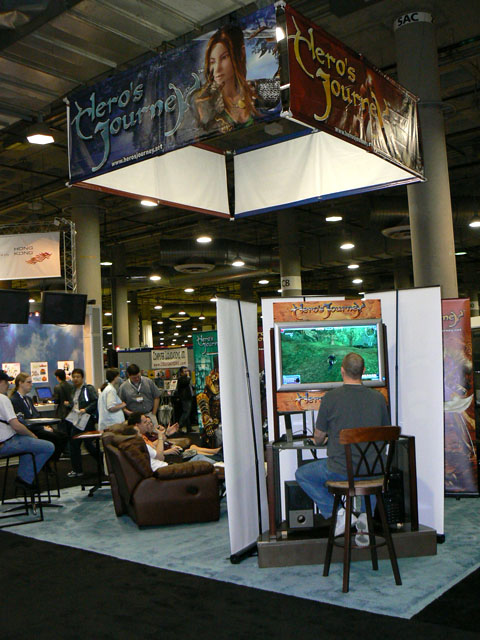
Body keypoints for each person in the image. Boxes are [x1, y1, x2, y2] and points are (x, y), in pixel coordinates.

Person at [295, 352, 390, 547]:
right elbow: (385, 435)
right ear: (364, 371)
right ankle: (365, 520)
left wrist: (320, 440)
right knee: (367, 473)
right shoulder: (379, 398)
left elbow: (319, 438)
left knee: (302, 474)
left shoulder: (330, 398)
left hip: (341, 470)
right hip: (374, 470)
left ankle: (339, 513)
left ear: (341, 371)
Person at [192, 24, 257, 134]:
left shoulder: (258, 91)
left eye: (224, 57)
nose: (217, 69)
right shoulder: (205, 101)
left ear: (240, 54)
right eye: (212, 62)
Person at [0, 370, 54, 489]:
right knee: (48, 447)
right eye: (7, 382)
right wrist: (31, 435)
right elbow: (16, 425)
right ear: (1, 382)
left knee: (28, 443)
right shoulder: (3, 399)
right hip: (6, 443)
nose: (8, 385)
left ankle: (24, 477)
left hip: (6, 441)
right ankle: (25, 479)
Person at [10, 372, 69, 465]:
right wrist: (42, 427)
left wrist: (45, 426)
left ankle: (47, 461)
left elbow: (36, 415)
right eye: (28, 382)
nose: (31, 385)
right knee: (56, 438)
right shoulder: (14, 400)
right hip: (29, 430)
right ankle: (45, 462)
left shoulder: (28, 399)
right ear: (20, 383)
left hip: (37, 427)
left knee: (63, 436)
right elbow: (23, 421)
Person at [65, 368, 101, 478]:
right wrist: (69, 405)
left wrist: (86, 409)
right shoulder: (73, 390)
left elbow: (95, 401)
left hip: (86, 419)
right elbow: (75, 404)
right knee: (78, 444)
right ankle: (78, 469)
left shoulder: (88, 389)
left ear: (82, 378)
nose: (75, 379)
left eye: (78, 377)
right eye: (74, 377)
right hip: (76, 419)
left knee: (84, 444)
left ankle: (102, 462)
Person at [175, 366, 194, 432]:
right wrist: (188, 377)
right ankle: (179, 425)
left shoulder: (186, 379)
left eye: (187, 371)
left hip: (189, 397)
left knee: (188, 413)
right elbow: (185, 383)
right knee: (186, 412)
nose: (187, 372)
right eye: (185, 371)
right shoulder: (181, 379)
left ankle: (189, 427)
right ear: (181, 373)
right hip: (185, 398)